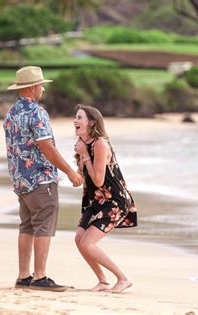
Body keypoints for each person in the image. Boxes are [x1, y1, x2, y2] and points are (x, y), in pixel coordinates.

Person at [3, 66, 83, 292]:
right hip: (40, 179)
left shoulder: (11, 113)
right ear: (31, 88)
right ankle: (39, 277)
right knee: (43, 226)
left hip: (20, 179)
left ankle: (23, 276)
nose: (43, 89)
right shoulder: (37, 113)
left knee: (26, 226)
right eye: (40, 85)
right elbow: (46, 147)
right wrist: (70, 171)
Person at [73, 104, 138, 293]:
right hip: (95, 201)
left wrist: (85, 155)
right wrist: (76, 171)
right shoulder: (82, 144)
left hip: (114, 201)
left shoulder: (100, 144)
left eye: (79, 117)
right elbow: (83, 175)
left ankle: (123, 278)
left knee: (88, 243)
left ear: (91, 122)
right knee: (79, 239)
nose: (75, 121)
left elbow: (100, 180)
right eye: (75, 117)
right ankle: (102, 281)